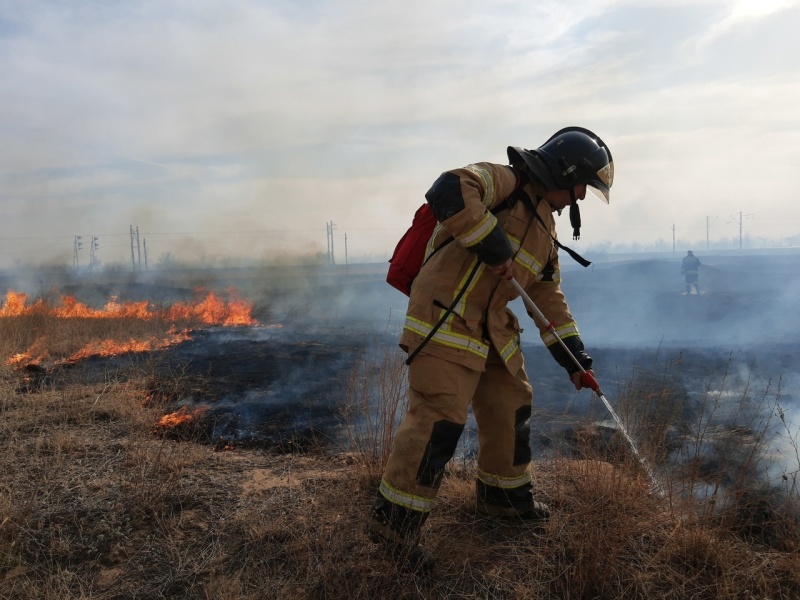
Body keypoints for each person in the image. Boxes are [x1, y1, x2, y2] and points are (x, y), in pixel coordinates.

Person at [367, 127, 614, 573]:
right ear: (566, 172)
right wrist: (491, 241)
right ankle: (393, 530)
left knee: (511, 408)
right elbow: (450, 187)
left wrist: (573, 356)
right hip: (445, 319)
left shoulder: (545, 226)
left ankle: (504, 501)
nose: (579, 196)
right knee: (439, 422)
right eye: (582, 187)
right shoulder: (501, 180)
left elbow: (547, 295)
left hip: (492, 330)